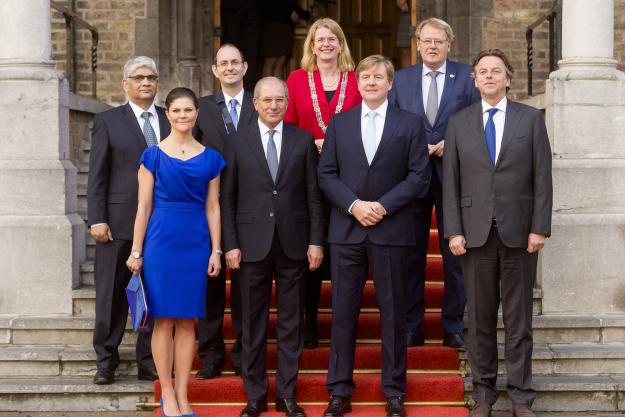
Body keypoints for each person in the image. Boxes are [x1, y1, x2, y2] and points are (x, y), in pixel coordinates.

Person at [318, 55, 431, 417]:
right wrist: (354, 205)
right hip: (347, 231)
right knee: (343, 314)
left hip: (392, 229)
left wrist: (381, 206)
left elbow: (418, 177)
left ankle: (394, 390)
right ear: (358, 82)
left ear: (389, 83)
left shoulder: (410, 124)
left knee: (394, 314)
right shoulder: (340, 123)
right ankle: (339, 390)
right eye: (365, 77)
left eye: (377, 77)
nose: (370, 82)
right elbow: (326, 174)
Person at [442, 49, 552, 417]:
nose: (489, 77)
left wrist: (539, 227)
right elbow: (451, 183)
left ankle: (522, 397)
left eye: (496, 71)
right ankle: (484, 395)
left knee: (519, 322)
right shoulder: (459, 122)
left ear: (508, 79)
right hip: (474, 236)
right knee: (480, 322)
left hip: (520, 234)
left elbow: (542, 178)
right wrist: (453, 231)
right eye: (482, 72)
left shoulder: (531, 119)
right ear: (474, 80)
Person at [220, 77, 325, 417]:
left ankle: (287, 394)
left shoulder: (303, 140)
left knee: (291, 323)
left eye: (279, 100)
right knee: (252, 323)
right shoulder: (237, 142)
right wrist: (231, 244)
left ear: (286, 102)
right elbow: (228, 198)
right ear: (255, 103)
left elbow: (313, 196)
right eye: (266, 100)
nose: (273, 106)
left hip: (294, 244)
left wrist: (315, 241)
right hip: (250, 247)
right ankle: (255, 396)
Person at [127, 87, 226, 417]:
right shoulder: (152, 155)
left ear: (197, 113)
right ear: (167, 114)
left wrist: (216, 250)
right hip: (161, 241)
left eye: (189, 110)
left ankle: (183, 393)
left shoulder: (211, 158)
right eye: (177, 111)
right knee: (164, 321)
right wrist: (137, 251)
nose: (183, 116)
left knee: (188, 322)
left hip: (196, 242)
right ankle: (166, 392)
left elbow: (213, 207)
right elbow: (143, 206)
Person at [389, 17, 481, 351]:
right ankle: (412, 326)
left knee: (454, 256)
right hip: (412, 178)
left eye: (438, 41)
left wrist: (451, 142)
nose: (432, 46)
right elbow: (393, 125)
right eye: (426, 40)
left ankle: (453, 325)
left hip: (454, 176)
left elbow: (475, 122)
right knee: (411, 256)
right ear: (417, 43)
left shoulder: (466, 78)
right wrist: (415, 148)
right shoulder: (401, 80)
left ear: (449, 44)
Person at [88, 56, 170, 385]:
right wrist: (97, 218)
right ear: (126, 84)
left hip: (161, 225)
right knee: (111, 296)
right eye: (138, 78)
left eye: (151, 77)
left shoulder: (170, 119)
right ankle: (106, 360)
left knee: (152, 295)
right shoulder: (108, 121)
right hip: (117, 224)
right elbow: (97, 174)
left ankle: (147, 361)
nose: (146, 83)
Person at [284, 17, 361, 348]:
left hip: (348, 175)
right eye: (320, 39)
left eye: (332, 39)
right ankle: (309, 321)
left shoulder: (357, 80)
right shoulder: (297, 80)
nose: (326, 44)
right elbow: (286, 124)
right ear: (311, 46)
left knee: (342, 250)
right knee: (310, 248)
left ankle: (343, 324)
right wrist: (308, 141)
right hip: (307, 172)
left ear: (341, 44)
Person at [193, 43, 257, 380]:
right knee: (211, 287)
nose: (230, 68)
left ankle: (245, 354)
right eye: (223, 63)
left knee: (246, 289)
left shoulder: (260, 102)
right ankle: (211, 355)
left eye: (235, 62)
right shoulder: (202, 108)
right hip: (211, 206)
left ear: (245, 67)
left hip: (251, 205)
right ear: (215, 70)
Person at [259, 0, 310, 79]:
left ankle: (278, 91)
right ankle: (265, 90)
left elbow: (291, 4)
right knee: (270, 61)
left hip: (286, 25)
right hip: (272, 23)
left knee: (280, 62)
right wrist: (289, 11)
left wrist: (306, 15)